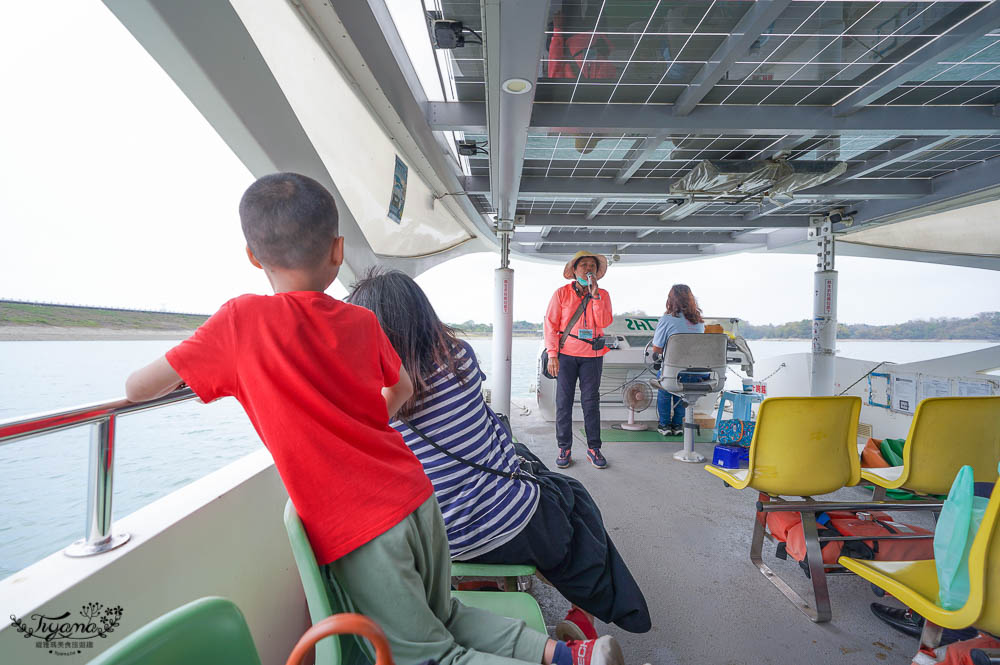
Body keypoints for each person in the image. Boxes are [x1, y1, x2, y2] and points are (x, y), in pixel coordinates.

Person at [124, 173, 629, 665]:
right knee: (446, 616)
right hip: (415, 499)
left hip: (361, 526)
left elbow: (137, 388)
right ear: (338, 251)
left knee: (429, 656)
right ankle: (569, 654)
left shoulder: (239, 321)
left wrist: (213, 371)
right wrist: (360, 425)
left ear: (253, 257)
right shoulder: (362, 322)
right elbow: (402, 389)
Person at [347, 268, 651, 643]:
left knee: (533, 487)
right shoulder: (458, 357)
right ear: (422, 316)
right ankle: (585, 615)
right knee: (570, 499)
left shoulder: (369, 397)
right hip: (506, 527)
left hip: (438, 539)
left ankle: (484, 580)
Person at [543, 251, 613, 470]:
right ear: (574, 270)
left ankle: (594, 448)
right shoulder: (561, 294)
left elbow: (604, 321)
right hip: (566, 355)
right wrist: (552, 354)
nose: (588, 268)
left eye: (592, 265)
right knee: (563, 403)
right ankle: (564, 447)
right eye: (583, 265)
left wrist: (595, 296)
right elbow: (550, 325)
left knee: (591, 403)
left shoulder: (603, 294)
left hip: (592, 356)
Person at [651, 284, 705, 437]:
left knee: (664, 389)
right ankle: (678, 425)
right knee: (683, 391)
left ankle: (664, 425)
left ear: (670, 300)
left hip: (673, 372)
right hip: (695, 373)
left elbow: (657, 349)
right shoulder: (700, 322)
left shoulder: (667, 319)